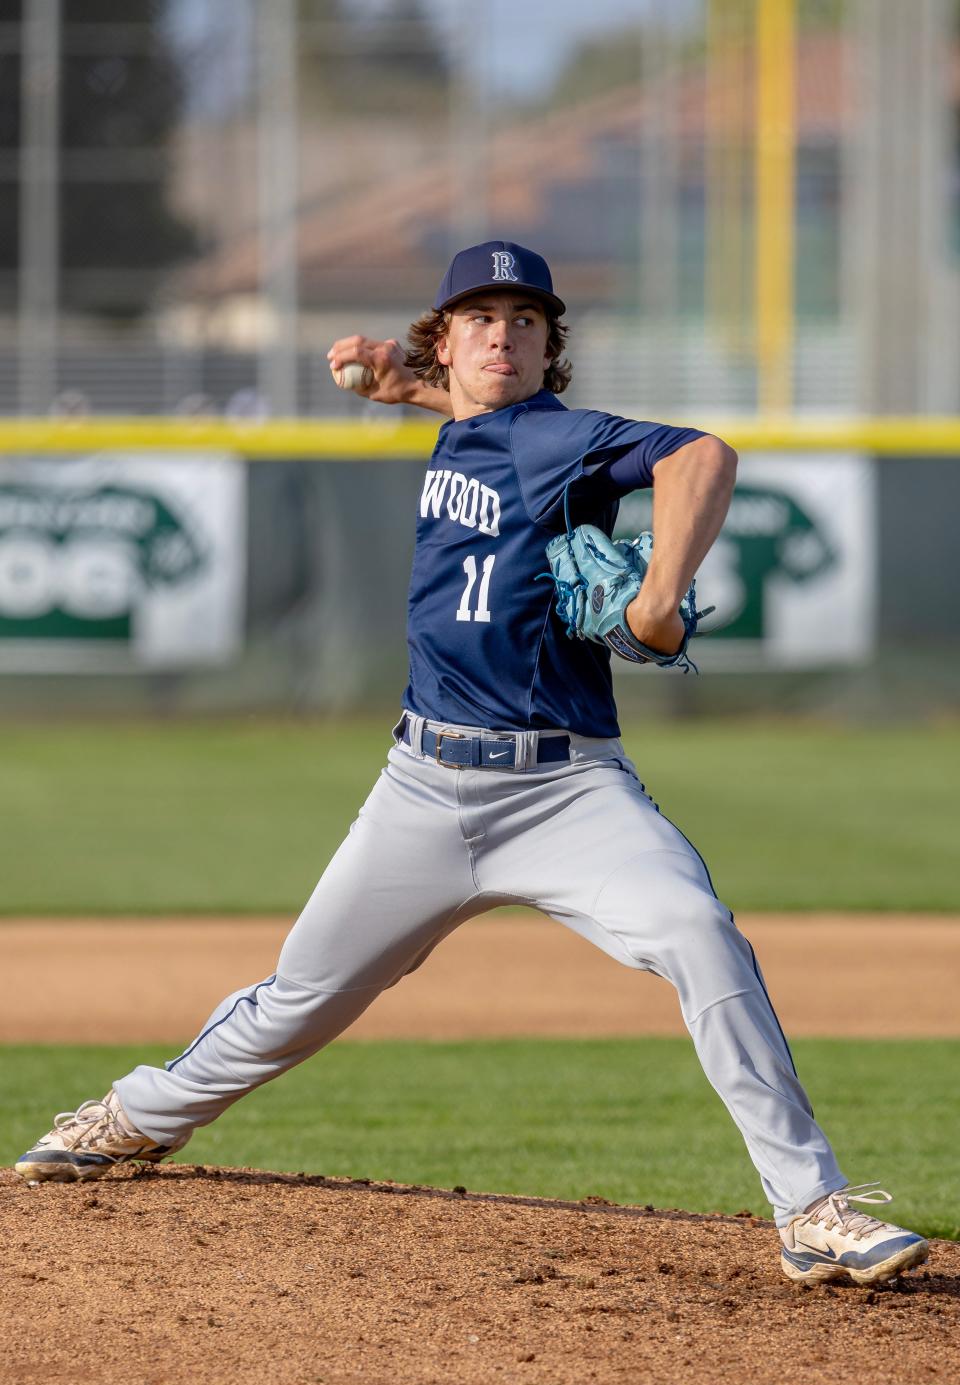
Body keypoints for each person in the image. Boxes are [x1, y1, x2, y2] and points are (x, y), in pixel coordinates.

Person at [16, 241, 927, 1288]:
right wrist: (396, 384)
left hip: (564, 789)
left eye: (527, 320)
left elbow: (702, 456)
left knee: (699, 935)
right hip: (420, 789)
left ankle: (812, 1210)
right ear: (446, 339)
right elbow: (463, 411)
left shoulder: (560, 438)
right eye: (481, 317)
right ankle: (134, 1116)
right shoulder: (468, 423)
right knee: (297, 1001)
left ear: (551, 350)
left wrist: (661, 593)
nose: (506, 333)